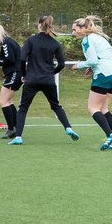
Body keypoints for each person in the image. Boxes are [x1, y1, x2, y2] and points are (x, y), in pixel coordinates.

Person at [8, 15, 79, 145]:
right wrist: (51, 73)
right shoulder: (55, 43)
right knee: (56, 106)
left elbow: (22, 59)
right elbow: (62, 64)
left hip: (32, 79)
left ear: (39, 25)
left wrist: (24, 74)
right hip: (48, 80)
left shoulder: (31, 40)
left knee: (23, 108)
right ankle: (68, 127)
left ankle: (18, 136)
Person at [71, 15, 112, 150]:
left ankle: (110, 135)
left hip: (104, 74)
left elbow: (94, 61)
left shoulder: (87, 39)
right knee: (103, 108)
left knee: (93, 108)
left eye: (74, 29)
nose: (73, 32)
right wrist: (92, 66)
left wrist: (80, 65)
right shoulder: (100, 37)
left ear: (83, 28)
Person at [0, 23, 20, 135]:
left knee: (3, 101)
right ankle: (17, 127)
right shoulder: (10, 42)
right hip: (16, 73)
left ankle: (11, 129)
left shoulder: (6, 43)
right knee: (9, 101)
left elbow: (9, 59)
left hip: (14, 73)